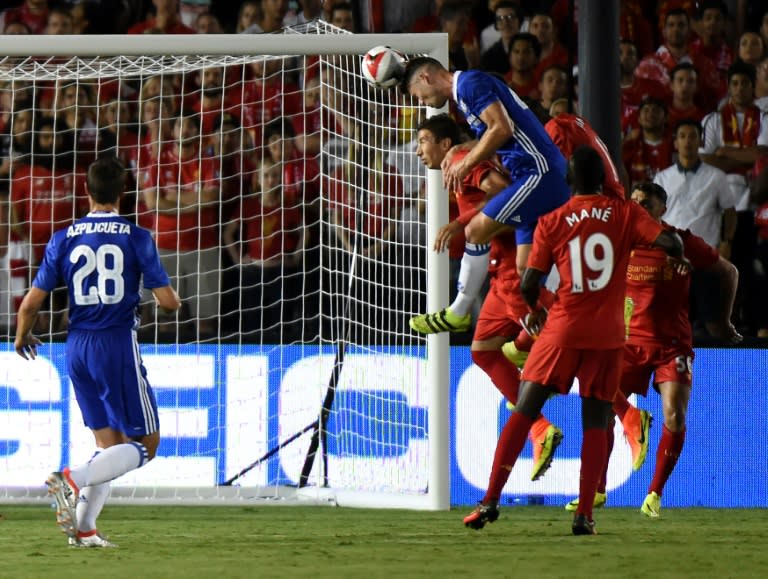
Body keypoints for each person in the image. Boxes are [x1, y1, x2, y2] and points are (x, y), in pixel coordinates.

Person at [462, 146, 688, 536]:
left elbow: (530, 281)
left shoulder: (552, 220)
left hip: (563, 328)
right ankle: (585, 514)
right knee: (597, 422)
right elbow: (670, 243)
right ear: (603, 180)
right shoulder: (625, 213)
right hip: (607, 334)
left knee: (525, 409)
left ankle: (490, 499)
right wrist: (672, 253)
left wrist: (533, 310)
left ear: (568, 183)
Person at [14, 156, 181, 547]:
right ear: (124, 193)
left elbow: (29, 304)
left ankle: (84, 530)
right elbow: (169, 303)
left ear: (86, 192)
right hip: (116, 344)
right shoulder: (136, 236)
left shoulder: (63, 237)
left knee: (109, 447)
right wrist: (166, 295)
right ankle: (69, 479)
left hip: (77, 347)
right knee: (145, 446)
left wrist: (22, 336)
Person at [565, 182, 740, 518]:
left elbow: (728, 272)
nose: (639, 207)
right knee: (599, 408)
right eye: (634, 202)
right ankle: (597, 490)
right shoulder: (618, 240)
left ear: (663, 206)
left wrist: (723, 321)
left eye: (647, 202)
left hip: (670, 346)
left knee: (674, 414)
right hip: (627, 345)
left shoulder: (683, 242)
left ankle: (654, 495)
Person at [416, 113, 562, 481]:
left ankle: (624, 409)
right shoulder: (462, 161)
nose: (419, 151)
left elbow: (501, 190)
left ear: (445, 144)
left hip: (513, 269)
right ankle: (540, 428)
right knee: (482, 350)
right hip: (500, 271)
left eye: (423, 141)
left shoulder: (462, 161)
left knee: (563, 338)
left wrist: (461, 223)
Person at [400, 56, 570, 335]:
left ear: (426, 79)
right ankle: (551, 332)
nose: (421, 103)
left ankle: (460, 310)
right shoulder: (466, 92)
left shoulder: (469, 83)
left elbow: (502, 129)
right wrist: (460, 148)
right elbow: (497, 128)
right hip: (531, 175)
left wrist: (465, 163)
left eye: (418, 96)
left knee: (475, 230)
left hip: (538, 173)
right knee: (524, 274)